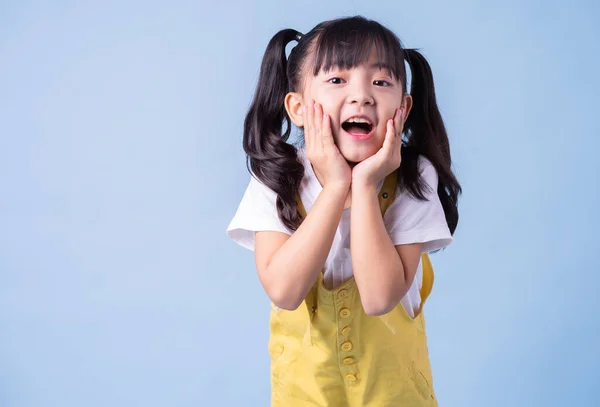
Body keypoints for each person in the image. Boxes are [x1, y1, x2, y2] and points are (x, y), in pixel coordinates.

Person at [226, 15, 461, 407]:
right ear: (298, 108)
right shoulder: (277, 178)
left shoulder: (413, 178)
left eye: (381, 81)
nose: (362, 95)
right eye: (337, 80)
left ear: (402, 107)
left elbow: (378, 298)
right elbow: (284, 291)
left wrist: (365, 186)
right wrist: (336, 187)